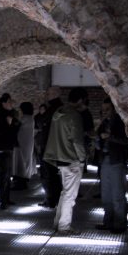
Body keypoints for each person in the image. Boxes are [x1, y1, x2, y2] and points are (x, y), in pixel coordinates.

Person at [44, 87, 87, 235]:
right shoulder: (74, 116)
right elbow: (77, 140)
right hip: (71, 158)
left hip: (60, 158)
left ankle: (58, 223)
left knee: (65, 193)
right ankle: (64, 226)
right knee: (70, 195)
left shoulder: (58, 113)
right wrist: (82, 158)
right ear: (80, 100)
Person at [95, 98, 128, 233]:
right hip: (105, 159)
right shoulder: (104, 123)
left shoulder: (120, 123)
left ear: (114, 109)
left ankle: (120, 223)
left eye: (107, 109)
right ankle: (108, 221)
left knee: (117, 193)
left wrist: (109, 137)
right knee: (106, 194)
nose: (105, 112)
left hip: (117, 160)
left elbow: (127, 141)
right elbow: (99, 139)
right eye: (103, 110)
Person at [0, 93, 20, 209]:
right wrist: (7, 124)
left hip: (8, 146)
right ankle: (3, 200)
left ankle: (6, 199)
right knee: (4, 175)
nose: (11, 103)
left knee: (7, 175)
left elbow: (17, 126)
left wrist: (12, 123)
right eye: (9, 101)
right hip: (1, 147)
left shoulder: (10, 113)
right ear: (3, 103)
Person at [38, 87, 63, 208]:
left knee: (49, 174)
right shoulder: (57, 108)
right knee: (53, 174)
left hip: (49, 146)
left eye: (49, 93)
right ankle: (55, 199)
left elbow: (42, 121)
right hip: (53, 145)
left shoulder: (53, 108)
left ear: (56, 94)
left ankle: (51, 200)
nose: (46, 95)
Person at [11, 102, 37, 190]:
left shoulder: (24, 118)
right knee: (26, 161)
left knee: (20, 162)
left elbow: (16, 127)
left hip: (21, 143)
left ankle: (20, 182)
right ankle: (23, 180)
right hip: (28, 143)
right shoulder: (31, 118)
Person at [77, 97, 95, 173]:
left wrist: (86, 133)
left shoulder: (86, 114)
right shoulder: (85, 113)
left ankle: (83, 167)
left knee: (82, 153)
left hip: (84, 138)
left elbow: (90, 129)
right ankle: (82, 167)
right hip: (83, 138)